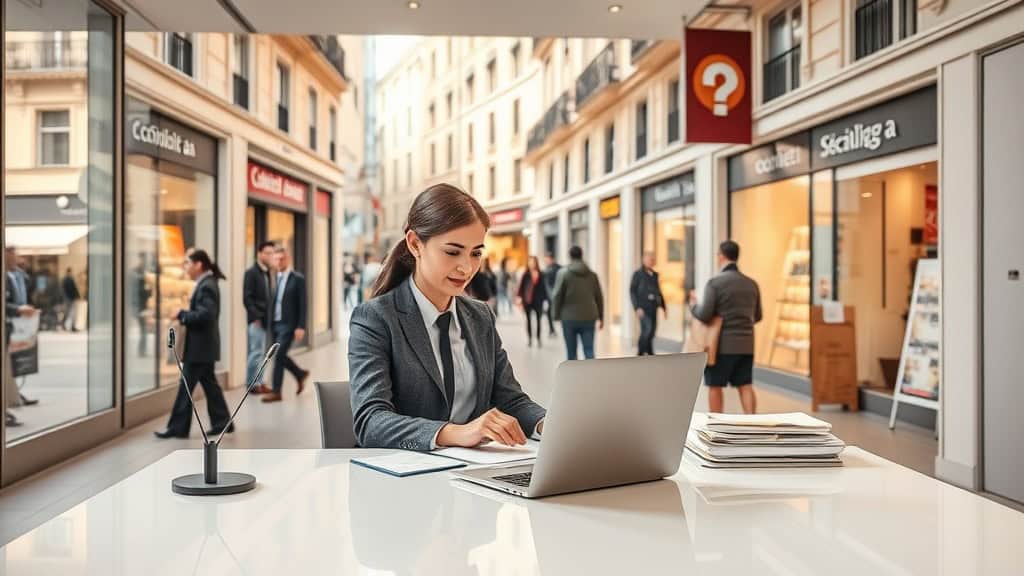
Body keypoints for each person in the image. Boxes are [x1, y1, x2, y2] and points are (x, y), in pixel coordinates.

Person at [348, 183, 546, 450]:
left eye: (476, 253)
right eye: (453, 252)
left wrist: (549, 424)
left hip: (471, 467)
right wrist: (455, 433)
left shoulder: (480, 317)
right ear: (415, 244)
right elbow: (370, 422)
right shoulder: (375, 318)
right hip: (404, 470)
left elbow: (511, 400)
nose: (466, 268)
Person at [155, 249, 232, 439]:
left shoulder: (207, 285)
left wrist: (182, 314)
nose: (185, 267)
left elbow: (207, 315)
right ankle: (223, 422)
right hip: (203, 347)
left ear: (198, 264)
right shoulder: (207, 283)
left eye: (188, 263)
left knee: (186, 388)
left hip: (200, 348)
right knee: (210, 385)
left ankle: (178, 428)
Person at [689, 240, 763, 414]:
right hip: (746, 345)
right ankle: (752, 421)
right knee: (745, 385)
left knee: (715, 385)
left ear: (721, 256)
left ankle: (717, 423)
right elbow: (758, 316)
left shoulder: (715, 283)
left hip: (721, 346)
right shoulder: (751, 284)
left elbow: (705, 314)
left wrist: (693, 306)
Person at [262, 246, 310, 403]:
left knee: (278, 355)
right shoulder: (274, 278)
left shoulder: (297, 278)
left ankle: (276, 392)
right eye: (276, 259)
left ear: (288, 259)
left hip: (289, 324)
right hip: (275, 324)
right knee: (279, 355)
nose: (279, 262)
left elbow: (303, 303)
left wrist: (301, 326)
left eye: (282, 259)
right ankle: (300, 374)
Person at [551, 246, 604, 360]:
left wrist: (555, 315)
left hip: (569, 318)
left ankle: (574, 372)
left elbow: (557, 295)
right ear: (581, 255)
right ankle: (592, 371)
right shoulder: (592, 275)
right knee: (589, 351)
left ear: (570, 256)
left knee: (571, 354)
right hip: (589, 317)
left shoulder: (563, 273)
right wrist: (601, 317)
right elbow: (599, 297)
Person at [5, 247, 37, 427]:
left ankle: (14, 396)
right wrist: (17, 309)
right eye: (11, 256)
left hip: (17, 324)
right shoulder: (5, 277)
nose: (15, 259)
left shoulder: (18, 275)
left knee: (14, 363)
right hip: (10, 320)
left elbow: (28, 286)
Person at [243, 241, 276, 394]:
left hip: (266, 320)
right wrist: (255, 316)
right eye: (267, 253)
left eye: (272, 253)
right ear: (259, 254)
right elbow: (247, 298)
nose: (270, 256)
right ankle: (252, 383)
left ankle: (260, 382)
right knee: (256, 352)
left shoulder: (268, 272)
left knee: (263, 353)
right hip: (256, 320)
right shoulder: (251, 273)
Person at [630, 252, 667, 356]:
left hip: (653, 307)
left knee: (652, 331)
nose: (651, 261)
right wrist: (637, 307)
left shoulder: (655, 275)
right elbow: (632, 291)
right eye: (649, 259)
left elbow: (658, 291)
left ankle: (649, 353)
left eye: (653, 259)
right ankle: (640, 353)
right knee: (647, 329)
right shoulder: (637, 274)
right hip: (643, 308)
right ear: (644, 260)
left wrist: (664, 307)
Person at [516, 256, 548, 347]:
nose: (532, 264)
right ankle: (530, 338)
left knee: (539, 320)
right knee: (528, 320)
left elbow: (544, 288)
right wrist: (519, 298)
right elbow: (521, 287)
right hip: (527, 300)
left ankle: (538, 338)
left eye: (533, 262)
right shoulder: (525, 274)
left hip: (538, 300)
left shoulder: (541, 274)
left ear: (536, 263)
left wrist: (546, 300)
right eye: (530, 262)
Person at [130, 254, 152, 356]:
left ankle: (142, 350)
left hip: (141, 306)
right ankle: (141, 351)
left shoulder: (143, 272)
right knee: (143, 330)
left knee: (143, 329)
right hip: (140, 307)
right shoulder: (137, 274)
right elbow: (140, 292)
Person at [542, 253, 560, 337]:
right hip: (549, 296)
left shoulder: (558, 269)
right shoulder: (546, 269)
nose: (546, 261)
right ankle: (552, 330)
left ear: (552, 259)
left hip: (556, 295)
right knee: (549, 313)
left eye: (547, 259)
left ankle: (554, 329)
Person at [61, 267, 81, 332]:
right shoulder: (69, 279)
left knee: (67, 312)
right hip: (70, 299)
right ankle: (72, 326)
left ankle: (64, 325)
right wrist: (77, 296)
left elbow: (63, 290)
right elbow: (73, 289)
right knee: (72, 313)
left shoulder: (64, 279)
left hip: (67, 299)